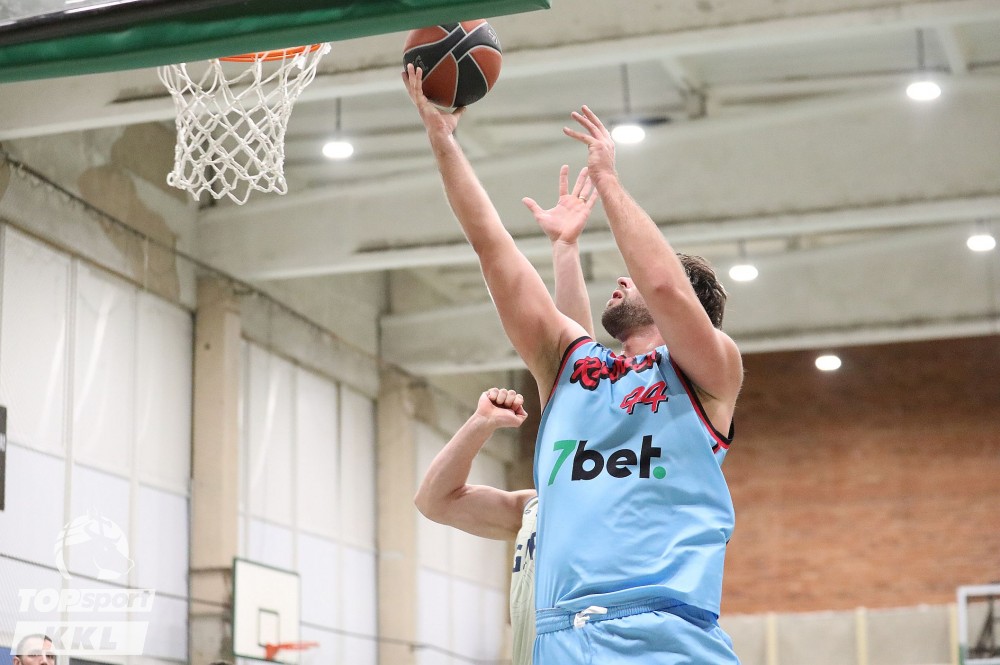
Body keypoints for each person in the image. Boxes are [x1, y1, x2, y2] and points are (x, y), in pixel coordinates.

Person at [405, 63, 743, 664]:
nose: (623, 278)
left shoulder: (710, 374)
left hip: (662, 634)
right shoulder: (577, 373)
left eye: (632, 277)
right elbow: (493, 248)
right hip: (560, 637)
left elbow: (663, 285)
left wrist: (607, 179)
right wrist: (443, 141)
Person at [415, 166, 600, 665]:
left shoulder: (604, 499)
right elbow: (434, 501)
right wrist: (479, 425)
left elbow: (575, 370)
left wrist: (566, 252)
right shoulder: (535, 510)